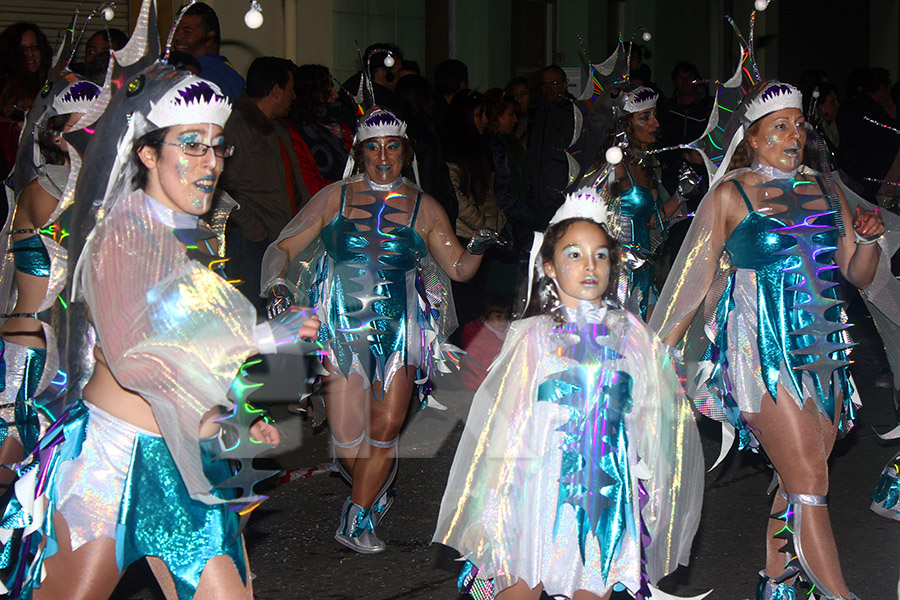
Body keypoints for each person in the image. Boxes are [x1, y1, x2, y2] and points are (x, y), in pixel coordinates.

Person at [0, 63, 320, 599]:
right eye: (191, 144)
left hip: (180, 460)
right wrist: (262, 340)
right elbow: (138, 355)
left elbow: (194, 345)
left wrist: (241, 408)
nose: (210, 162)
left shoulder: (190, 233)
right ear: (148, 154)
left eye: (218, 146)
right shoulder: (123, 232)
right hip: (108, 463)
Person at [650, 81, 885, 600]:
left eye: (799, 125)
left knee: (798, 475)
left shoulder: (827, 187)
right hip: (759, 353)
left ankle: (777, 586)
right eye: (780, 126)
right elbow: (692, 277)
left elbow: (858, 274)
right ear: (751, 140)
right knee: (809, 484)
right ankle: (840, 594)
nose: (794, 135)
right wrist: (654, 353)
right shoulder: (729, 195)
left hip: (825, 354)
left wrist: (867, 240)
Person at [434, 187, 703, 600]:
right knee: (518, 588)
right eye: (574, 254)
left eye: (600, 254)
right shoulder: (531, 336)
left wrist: (656, 492)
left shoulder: (632, 334)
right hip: (535, 493)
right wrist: (495, 513)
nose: (590, 265)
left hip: (603, 497)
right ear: (550, 267)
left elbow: (657, 416)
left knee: (590, 587)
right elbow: (503, 426)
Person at [260, 107, 503, 553]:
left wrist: (480, 246)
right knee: (350, 443)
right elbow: (284, 246)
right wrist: (277, 283)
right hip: (341, 330)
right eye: (373, 146)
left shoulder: (425, 207)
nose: (383, 156)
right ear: (359, 151)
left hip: (400, 332)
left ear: (405, 152)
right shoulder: (334, 198)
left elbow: (459, 269)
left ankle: (355, 519)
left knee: (387, 426)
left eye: (392, 146)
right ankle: (374, 488)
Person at [0, 76, 100, 488]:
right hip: (32, 352)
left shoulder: (55, 188)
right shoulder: (50, 189)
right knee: (14, 472)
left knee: (42, 480)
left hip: (57, 348)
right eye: (88, 123)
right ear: (59, 134)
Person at [579, 85, 683, 320]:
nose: (655, 124)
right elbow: (584, 221)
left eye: (655, 116)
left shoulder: (646, 166)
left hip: (644, 269)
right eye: (645, 117)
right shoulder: (614, 168)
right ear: (624, 125)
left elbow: (654, 221)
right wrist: (618, 252)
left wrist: (680, 196)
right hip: (617, 273)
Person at [220, 56, 308, 313]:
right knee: (251, 316)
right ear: (276, 91)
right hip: (252, 242)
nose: (294, 96)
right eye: (291, 89)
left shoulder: (277, 128)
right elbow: (224, 186)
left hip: (278, 241)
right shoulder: (237, 126)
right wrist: (252, 227)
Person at [288, 64, 352, 196]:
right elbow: (309, 183)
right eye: (329, 89)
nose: (335, 95)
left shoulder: (341, 125)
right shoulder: (297, 133)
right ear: (313, 94)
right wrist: (353, 190)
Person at [528, 65, 577, 229]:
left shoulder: (573, 114)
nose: (548, 88)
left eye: (553, 83)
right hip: (535, 194)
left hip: (560, 192)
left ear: (564, 85)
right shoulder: (534, 112)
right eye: (544, 84)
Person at [172, 1, 245, 102]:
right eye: (176, 30)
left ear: (210, 36)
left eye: (187, 32)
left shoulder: (204, 72)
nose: (177, 37)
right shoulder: (224, 67)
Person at [0, 22, 51, 95]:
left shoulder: (50, 84)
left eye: (34, 47)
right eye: (23, 49)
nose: (30, 53)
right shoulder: (3, 89)